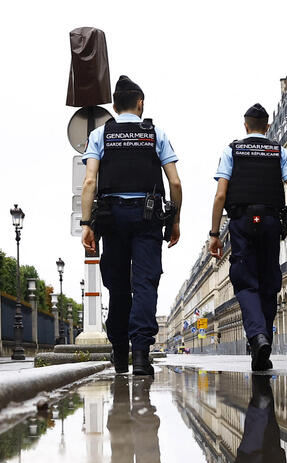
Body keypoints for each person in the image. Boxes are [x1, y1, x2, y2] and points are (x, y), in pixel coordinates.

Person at [80, 75, 183, 376]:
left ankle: (119, 349)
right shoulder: (155, 134)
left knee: (118, 286)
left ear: (114, 106)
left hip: (111, 217)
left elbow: (89, 181)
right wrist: (174, 220)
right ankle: (140, 354)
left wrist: (87, 224)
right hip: (147, 216)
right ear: (140, 104)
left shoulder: (101, 135)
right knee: (145, 282)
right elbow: (174, 182)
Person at [209, 103, 287, 372]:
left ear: (245, 126)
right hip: (270, 222)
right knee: (269, 282)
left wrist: (214, 234)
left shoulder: (231, 151)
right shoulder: (280, 152)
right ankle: (263, 341)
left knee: (245, 282)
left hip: (242, 222)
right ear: (268, 126)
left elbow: (220, 195)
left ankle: (258, 337)